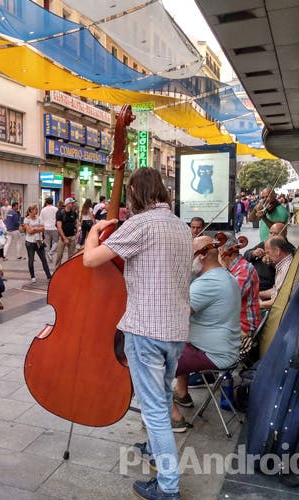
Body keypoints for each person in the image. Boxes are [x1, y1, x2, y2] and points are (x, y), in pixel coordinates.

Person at [83, 168, 192, 499]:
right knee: (162, 397)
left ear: (135, 192)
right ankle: (154, 452)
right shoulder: (181, 226)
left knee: (154, 410)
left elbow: (91, 259)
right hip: (175, 329)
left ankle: (168, 487)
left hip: (146, 329)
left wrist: (94, 230)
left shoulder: (141, 224)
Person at [170, 236, 241, 429]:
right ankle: (182, 393)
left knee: (151, 361)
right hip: (220, 348)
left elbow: (175, 315)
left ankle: (172, 417)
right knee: (179, 344)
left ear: (201, 256)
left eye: (189, 255)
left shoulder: (208, 283)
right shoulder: (224, 275)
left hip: (212, 353)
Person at [219, 234, 261, 367]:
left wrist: (220, 269)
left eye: (217, 250)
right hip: (234, 323)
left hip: (243, 327)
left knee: (197, 336)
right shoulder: (233, 269)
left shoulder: (244, 269)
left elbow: (228, 299)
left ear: (223, 251)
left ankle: (206, 369)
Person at [243, 222, 294, 292]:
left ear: (284, 234)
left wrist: (271, 262)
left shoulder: (288, 248)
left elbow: (283, 267)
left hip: (264, 285)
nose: (272, 236)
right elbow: (246, 255)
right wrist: (253, 253)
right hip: (251, 279)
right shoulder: (265, 244)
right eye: (270, 233)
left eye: (275, 233)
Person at [259, 236, 295, 309]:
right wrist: (259, 294)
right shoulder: (283, 264)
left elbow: (279, 301)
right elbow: (275, 291)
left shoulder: (285, 269)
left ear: (277, 251)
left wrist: (258, 304)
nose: (267, 256)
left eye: (268, 253)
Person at [23, 204, 51, 283]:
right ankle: (32, 276)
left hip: (39, 241)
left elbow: (43, 228)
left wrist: (34, 229)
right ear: (31, 210)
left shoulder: (39, 218)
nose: (37, 211)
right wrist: (37, 229)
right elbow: (29, 231)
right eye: (35, 209)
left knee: (44, 259)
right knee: (31, 260)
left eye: (37, 209)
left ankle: (49, 276)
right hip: (30, 242)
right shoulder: (26, 219)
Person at [55, 197, 78, 267]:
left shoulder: (74, 213)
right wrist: (64, 238)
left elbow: (75, 223)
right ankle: (57, 268)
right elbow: (59, 227)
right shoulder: (60, 213)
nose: (73, 204)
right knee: (59, 255)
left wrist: (76, 232)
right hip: (63, 237)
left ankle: (70, 268)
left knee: (71, 255)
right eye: (72, 203)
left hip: (72, 236)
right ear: (67, 204)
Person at [40, 197, 59, 262]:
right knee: (55, 242)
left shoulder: (43, 210)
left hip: (46, 228)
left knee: (47, 243)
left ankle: (48, 256)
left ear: (46, 202)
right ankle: (50, 253)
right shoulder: (56, 209)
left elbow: (41, 220)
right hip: (54, 228)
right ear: (52, 202)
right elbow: (58, 218)